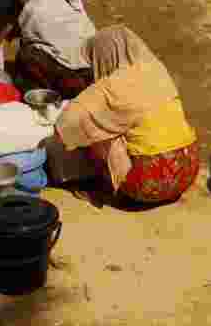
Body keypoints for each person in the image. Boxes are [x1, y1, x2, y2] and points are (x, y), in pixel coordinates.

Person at [54, 26, 200, 206]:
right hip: (188, 170)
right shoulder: (156, 70)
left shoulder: (111, 86)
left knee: (95, 128)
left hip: (150, 184)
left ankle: (102, 188)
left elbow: (65, 125)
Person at [0, 0, 96, 98]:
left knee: (27, 53)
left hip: (72, 78)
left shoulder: (35, 9)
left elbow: (17, 30)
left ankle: (42, 91)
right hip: (93, 70)